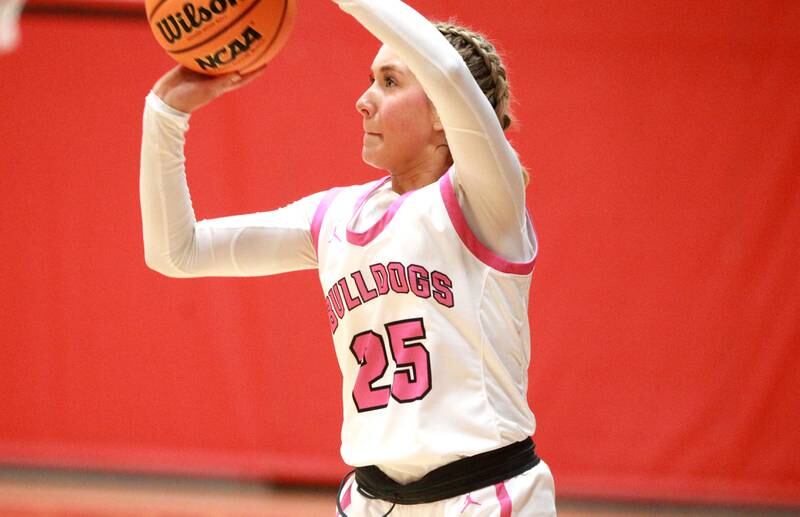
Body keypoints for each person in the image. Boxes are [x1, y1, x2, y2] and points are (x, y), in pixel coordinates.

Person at [140, 0, 556, 515]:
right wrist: (164, 112)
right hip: (373, 500)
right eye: (371, 79)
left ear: (446, 115)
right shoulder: (335, 216)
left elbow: (447, 69)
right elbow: (177, 252)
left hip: (486, 498)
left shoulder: (488, 200)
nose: (363, 100)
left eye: (389, 81)